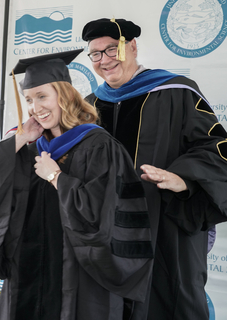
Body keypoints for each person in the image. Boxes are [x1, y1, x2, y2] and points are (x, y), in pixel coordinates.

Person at [0, 49, 154, 320]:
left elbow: (103, 214)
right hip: (29, 270)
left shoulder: (98, 146)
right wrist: (21, 138)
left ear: (64, 94)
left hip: (79, 273)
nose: (35, 107)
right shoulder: (30, 146)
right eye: (29, 99)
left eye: (42, 96)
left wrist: (56, 178)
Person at [82, 18, 227, 319]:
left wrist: (183, 178)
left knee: (168, 303)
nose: (104, 60)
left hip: (164, 226)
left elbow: (217, 147)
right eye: (95, 53)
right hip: (107, 233)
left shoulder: (177, 92)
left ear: (132, 47)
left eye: (112, 49)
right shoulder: (88, 106)